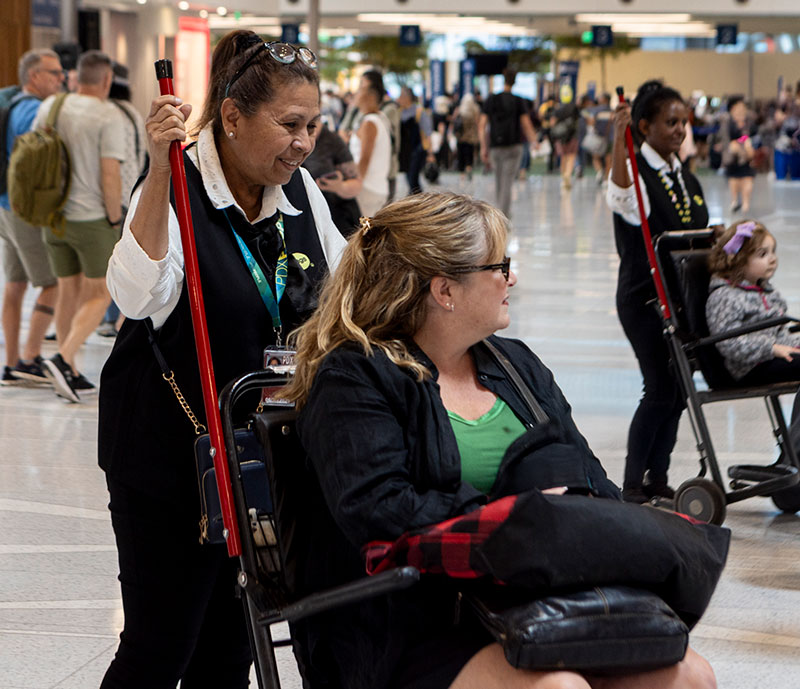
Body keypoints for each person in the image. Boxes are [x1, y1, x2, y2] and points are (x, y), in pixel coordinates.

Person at [279, 191, 716, 689]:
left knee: (689, 675)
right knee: (558, 688)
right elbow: (377, 510)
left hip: (529, 597)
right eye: (500, 266)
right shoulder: (355, 378)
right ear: (445, 291)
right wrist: (520, 518)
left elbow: (594, 484)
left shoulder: (515, 364)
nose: (513, 278)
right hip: (407, 619)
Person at [96, 30, 345, 688]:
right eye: (290, 124)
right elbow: (136, 292)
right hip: (167, 454)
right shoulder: (179, 185)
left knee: (232, 648)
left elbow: (346, 284)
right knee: (158, 644)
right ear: (231, 118)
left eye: (313, 125)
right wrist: (157, 165)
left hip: (259, 455)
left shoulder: (300, 195)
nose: (303, 142)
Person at [606, 80, 709, 504]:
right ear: (644, 126)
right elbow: (623, 197)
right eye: (671, 123)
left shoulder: (681, 174)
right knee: (660, 388)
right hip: (644, 298)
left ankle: (658, 476)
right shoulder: (635, 171)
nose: (680, 130)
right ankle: (632, 483)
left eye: (684, 122)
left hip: (681, 298)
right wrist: (618, 137)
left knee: (680, 390)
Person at [35, 50, 127, 401]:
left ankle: (69, 370)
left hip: (54, 215)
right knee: (102, 293)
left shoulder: (53, 106)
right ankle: (62, 357)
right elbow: (110, 172)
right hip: (91, 219)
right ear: (106, 80)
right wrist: (115, 217)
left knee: (68, 290)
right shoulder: (108, 115)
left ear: (77, 77)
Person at [706, 220, 800, 449]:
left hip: (769, 359)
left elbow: (779, 331)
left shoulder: (766, 290)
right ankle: (796, 450)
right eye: (762, 254)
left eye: (772, 252)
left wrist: (793, 343)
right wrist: (772, 348)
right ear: (739, 260)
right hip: (748, 366)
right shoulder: (725, 297)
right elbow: (728, 342)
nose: (772, 258)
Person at [0, 49, 63, 385]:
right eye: (53, 73)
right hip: (25, 212)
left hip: (5, 208)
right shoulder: (34, 112)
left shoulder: (9, 104)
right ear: (34, 76)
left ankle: (10, 363)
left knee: (15, 285)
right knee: (52, 285)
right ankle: (28, 357)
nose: (61, 78)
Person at [479, 69, 537, 218]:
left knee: (499, 180)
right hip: (513, 146)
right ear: (514, 81)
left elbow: (482, 125)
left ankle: (500, 213)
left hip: (495, 147)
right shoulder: (518, 100)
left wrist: (483, 146)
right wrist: (534, 141)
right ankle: (503, 216)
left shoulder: (492, 99)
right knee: (507, 182)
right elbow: (526, 123)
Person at [303, 119, 362, 237]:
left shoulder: (332, 141)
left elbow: (356, 183)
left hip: (335, 215)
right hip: (304, 217)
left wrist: (339, 187)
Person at [349, 70, 392, 217]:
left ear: (371, 95)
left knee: (364, 233)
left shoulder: (370, 123)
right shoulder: (378, 118)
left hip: (368, 189)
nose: (357, 92)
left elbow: (365, 159)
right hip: (374, 187)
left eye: (361, 87)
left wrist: (355, 184)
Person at [720, 97, 756, 214]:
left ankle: (746, 204)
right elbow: (725, 140)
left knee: (747, 179)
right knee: (734, 180)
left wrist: (743, 142)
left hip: (746, 156)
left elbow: (749, 135)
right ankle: (735, 201)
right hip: (733, 157)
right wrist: (735, 144)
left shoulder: (748, 122)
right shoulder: (727, 122)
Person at [396, 86, 433, 195]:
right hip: (405, 150)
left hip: (418, 149)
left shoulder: (419, 111)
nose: (399, 99)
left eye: (401, 96)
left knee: (413, 177)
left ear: (407, 97)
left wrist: (430, 153)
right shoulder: (399, 112)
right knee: (408, 177)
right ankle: (416, 199)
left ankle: (416, 199)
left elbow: (427, 131)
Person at [551, 99, 581, 190]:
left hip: (561, 137)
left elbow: (552, 123)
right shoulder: (575, 110)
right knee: (571, 157)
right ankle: (568, 174)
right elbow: (579, 122)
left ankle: (564, 179)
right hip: (573, 137)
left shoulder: (558, 110)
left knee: (563, 157)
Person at [454, 92, 480, 181]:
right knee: (469, 154)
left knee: (461, 154)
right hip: (471, 136)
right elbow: (478, 122)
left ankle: (462, 174)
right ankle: (469, 167)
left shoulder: (460, 109)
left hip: (461, 136)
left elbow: (455, 121)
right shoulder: (476, 109)